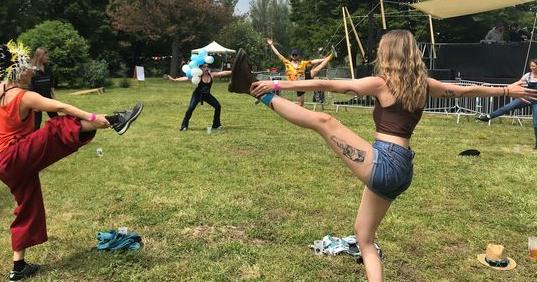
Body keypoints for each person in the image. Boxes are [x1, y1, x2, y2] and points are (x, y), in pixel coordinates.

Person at [228, 30, 536, 282]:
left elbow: (330, 84)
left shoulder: (382, 83)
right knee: (364, 239)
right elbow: (464, 91)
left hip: (386, 162)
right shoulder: (424, 85)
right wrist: (507, 91)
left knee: (324, 121)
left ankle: (251, 88)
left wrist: (277, 84)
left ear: (388, 54)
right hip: (401, 170)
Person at [0, 40, 144, 281]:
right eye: (28, 69)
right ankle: (116, 120)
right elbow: (61, 106)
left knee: (29, 207)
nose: (32, 72)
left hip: (5, 164)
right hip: (15, 157)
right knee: (56, 128)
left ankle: (18, 267)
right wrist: (95, 117)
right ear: (19, 71)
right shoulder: (25, 97)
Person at [477, 58, 537, 149]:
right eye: (530, 66)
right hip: (526, 97)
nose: (531, 67)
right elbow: (518, 83)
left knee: (536, 123)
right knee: (508, 106)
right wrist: (507, 89)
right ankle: (488, 117)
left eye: (533, 66)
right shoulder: (528, 75)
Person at [265, 38, 332, 107]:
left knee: (317, 69)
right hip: (295, 83)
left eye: (296, 55)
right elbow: (278, 54)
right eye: (293, 55)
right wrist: (271, 45)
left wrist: (325, 59)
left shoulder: (302, 63)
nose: (294, 56)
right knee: (300, 103)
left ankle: (330, 57)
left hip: (303, 78)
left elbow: (314, 61)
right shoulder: (287, 63)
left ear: (298, 56)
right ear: (291, 56)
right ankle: (296, 112)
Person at [167, 63, 231, 131]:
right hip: (197, 94)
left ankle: (216, 125)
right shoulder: (198, 76)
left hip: (207, 95)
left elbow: (223, 73)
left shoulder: (211, 75)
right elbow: (187, 78)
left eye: (207, 67)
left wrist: (233, 71)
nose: (206, 68)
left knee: (218, 106)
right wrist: (175, 80)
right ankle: (184, 126)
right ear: (201, 68)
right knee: (191, 108)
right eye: (204, 67)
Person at [28, 47, 57, 130]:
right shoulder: (32, 70)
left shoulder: (48, 68)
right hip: (37, 100)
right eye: (46, 56)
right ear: (40, 56)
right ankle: (34, 141)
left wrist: (54, 98)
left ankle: (60, 137)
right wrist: (34, 105)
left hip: (48, 99)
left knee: (56, 119)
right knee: (36, 125)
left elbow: (51, 84)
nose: (48, 58)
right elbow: (31, 88)